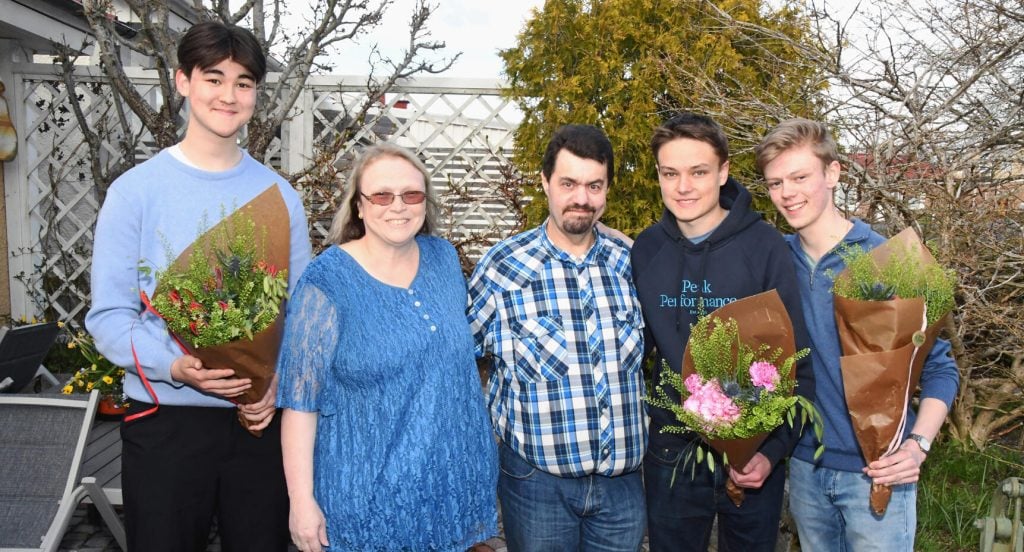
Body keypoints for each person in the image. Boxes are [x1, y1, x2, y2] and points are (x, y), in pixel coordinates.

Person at [85, 21, 312, 551]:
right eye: (214, 78)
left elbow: (301, 315)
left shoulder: (279, 197)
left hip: (258, 424)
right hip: (165, 420)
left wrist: (279, 383)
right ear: (183, 81)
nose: (229, 96)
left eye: (244, 82)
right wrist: (174, 366)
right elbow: (109, 318)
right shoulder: (135, 193)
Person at [277, 143, 498, 552]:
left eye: (411, 194)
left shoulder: (443, 258)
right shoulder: (326, 282)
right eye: (381, 195)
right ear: (358, 206)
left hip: (449, 489)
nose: (397, 206)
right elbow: (300, 403)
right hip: (364, 502)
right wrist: (301, 502)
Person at [755, 118, 959, 551]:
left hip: (878, 473)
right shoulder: (775, 261)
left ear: (832, 174)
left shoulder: (886, 260)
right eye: (775, 183)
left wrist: (918, 445)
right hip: (805, 470)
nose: (787, 193)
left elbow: (940, 366)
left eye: (799, 177)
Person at [632, 113, 814, 551]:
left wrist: (770, 454)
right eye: (670, 173)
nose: (683, 187)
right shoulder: (646, 250)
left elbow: (797, 362)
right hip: (672, 454)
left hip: (753, 455)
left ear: (724, 171)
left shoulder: (764, 246)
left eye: (698, 172)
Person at [467, 124, 647, 551]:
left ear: (607, 190)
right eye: (568, 183)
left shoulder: (634, 264)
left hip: (622, 490)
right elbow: (460, 361)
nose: (581, 198)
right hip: (536, 486)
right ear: (545, 182)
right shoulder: (502, 268)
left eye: (594, 185)